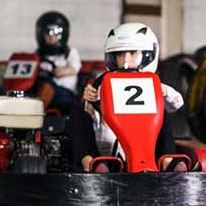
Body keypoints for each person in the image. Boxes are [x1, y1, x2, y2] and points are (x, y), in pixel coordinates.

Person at [69, 22, 185, 172]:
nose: (125, 60)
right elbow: (91, 102)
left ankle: (167, 160)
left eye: (132, 53)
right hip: (107, 148)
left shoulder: (154, 83)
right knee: (77, 114)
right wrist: (90, 98)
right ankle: (90, 162)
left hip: (146, 145)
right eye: (120, 54)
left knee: (162, 113)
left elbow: (177, 104)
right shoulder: (104, 80)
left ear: (148, 55)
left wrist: (163, 92)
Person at [35, 11, 82, 113]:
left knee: (47, 84)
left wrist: (56, 71)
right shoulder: (38, 55)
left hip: (64, 94)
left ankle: (33, 114)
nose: (51, 37)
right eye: (48, 33)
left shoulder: (69, 52)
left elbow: (74, 68)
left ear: (62, 34)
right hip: (40, 89)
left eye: (55, 34)